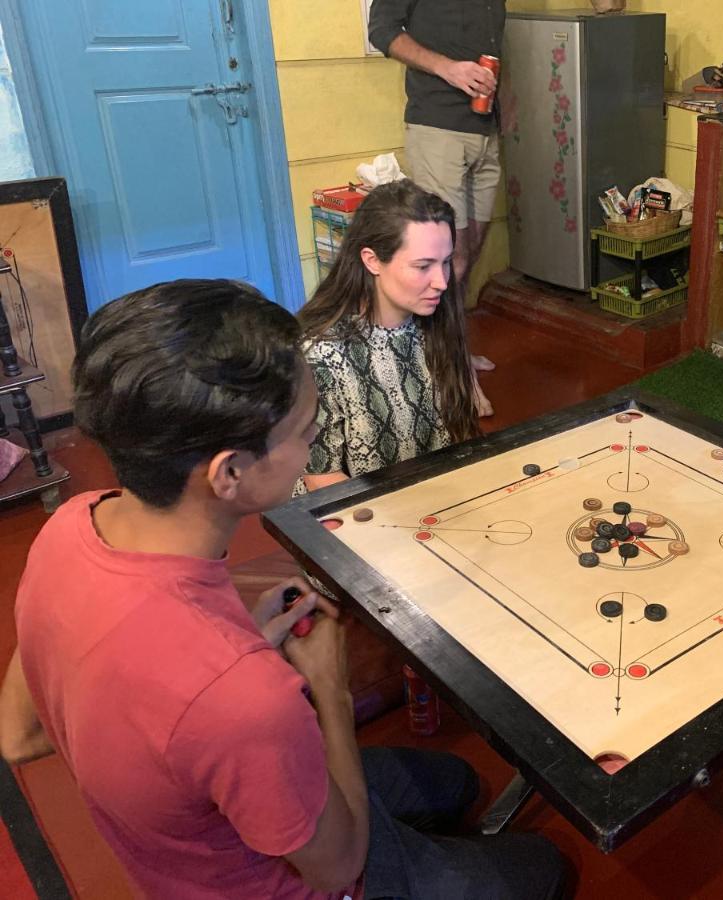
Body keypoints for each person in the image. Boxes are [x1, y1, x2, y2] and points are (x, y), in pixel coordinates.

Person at [0, 280, 567, 899]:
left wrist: (222, 663)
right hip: (302, 880)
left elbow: (18, 734)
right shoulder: (244, 701)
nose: (311, 448)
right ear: (230, 473)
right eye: (304, 432)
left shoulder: (69, 525)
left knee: (455, 783)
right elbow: (338, 866)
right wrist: (326, 691)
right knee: (545, 867)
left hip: (211, 789)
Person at [297, 180, 481, 494]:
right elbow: (322, 480)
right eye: (423, 266)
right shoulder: (321, 352)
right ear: (372, 260)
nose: (441, 282)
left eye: (446, 262)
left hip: (432, 502)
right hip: (361, 518)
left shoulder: (435, 320)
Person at [368, 0, 506, 416]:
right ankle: (452, 373)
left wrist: (508, 107)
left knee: (471, 251)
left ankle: (453, 351)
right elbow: (383, 31)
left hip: (485, 128)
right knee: (450, 259)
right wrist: (450, 68)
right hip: (437, 127)